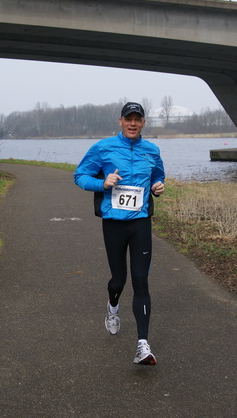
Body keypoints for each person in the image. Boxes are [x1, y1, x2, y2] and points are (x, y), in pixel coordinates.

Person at [74, 102, 165, 365]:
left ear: (143, 123)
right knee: (119, 279)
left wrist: (159, 186)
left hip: (140, 222)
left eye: (137, 119)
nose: (133, 123)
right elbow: (80, 176)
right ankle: (113, 305)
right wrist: (102, 183)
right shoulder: (103, 148)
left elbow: (159, 176)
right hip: (114, 223)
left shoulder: (152, 150)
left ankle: (142, 345)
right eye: (129, 119)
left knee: (141, 280)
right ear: (120, 121)